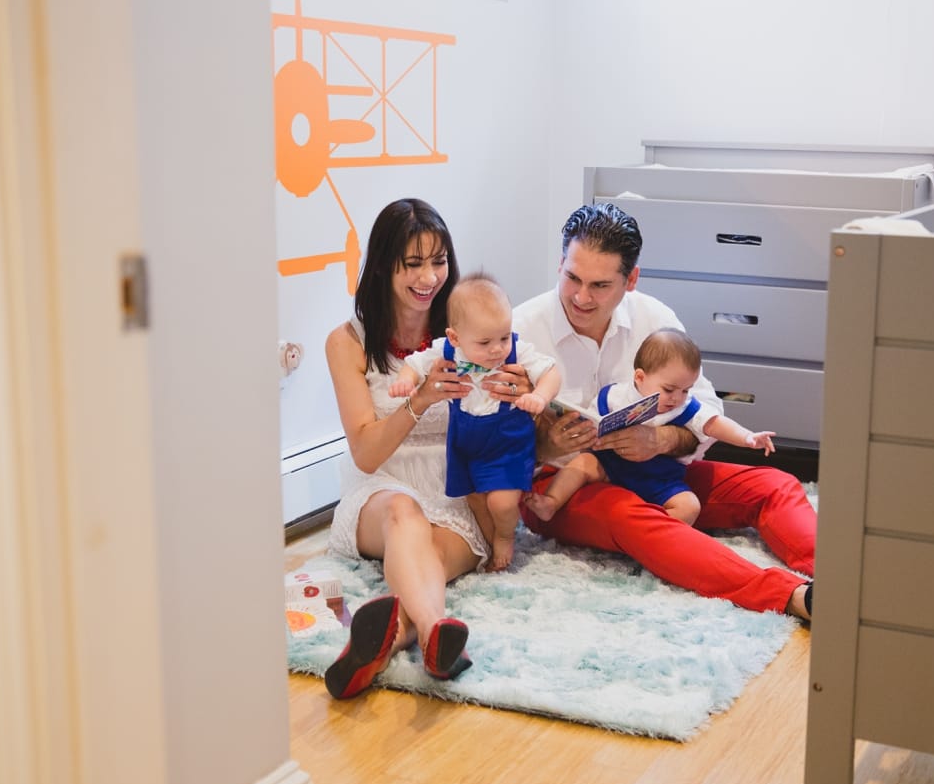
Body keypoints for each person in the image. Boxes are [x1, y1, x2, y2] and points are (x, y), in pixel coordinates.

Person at [512, 203, 814, 619]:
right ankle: (790, 596)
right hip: (561, 486)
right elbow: (488, 442)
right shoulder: (520, 329)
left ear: (631, 279)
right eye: (572, 278)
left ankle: (844, 578)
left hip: (656, 470)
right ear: (560, 262)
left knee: (773, 485)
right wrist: (546, 445)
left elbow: (704, 409)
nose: (582, 297)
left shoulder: (656, 319)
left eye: (600, 285)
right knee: (631, 516)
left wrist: (660, 439)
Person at [321, 198, 533, 699]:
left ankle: (400, 636)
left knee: (428, 561)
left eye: (438, 261)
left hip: (460, 486)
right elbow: (367, 454)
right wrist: (419, 400)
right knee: (404, 514)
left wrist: (519, 394)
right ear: (382, 265)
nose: (429, 277)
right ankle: (438, 627)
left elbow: (512, 421)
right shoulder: (347, 343)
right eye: (412, 263)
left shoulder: (469, 331)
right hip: (381, 488)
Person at [389, 272, 560, 571]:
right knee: (477, 500)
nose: (497, 349)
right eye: (485, 342)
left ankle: (506, 536)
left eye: (504, 337)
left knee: (502, 503)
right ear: (455, 337)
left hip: (508, 443)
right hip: (465, 445)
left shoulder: (517, 351)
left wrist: (540, 397)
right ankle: (492, 540)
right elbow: (414, 364)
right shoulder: (447, 351)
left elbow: (551, 372)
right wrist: (406, 382)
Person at [524, 327, 776, 526]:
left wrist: (747, 437)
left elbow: (715, 424)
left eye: (685, 390)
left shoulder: (685, 406)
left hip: (658, 478)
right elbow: (590, 418)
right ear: (640, 377)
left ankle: (660, 533)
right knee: (578, 466)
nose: (677, 397)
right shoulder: (615, 395)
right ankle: (551, 503)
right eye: (668, 390)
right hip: (609, 466)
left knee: (690, 506)